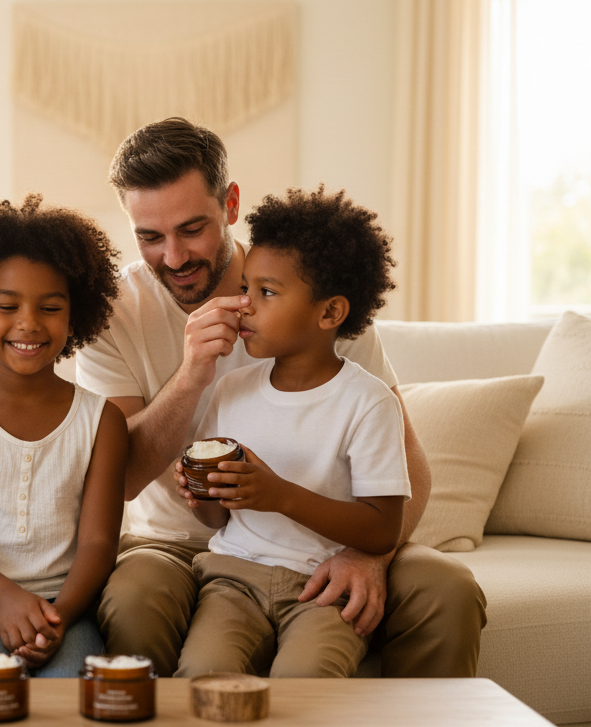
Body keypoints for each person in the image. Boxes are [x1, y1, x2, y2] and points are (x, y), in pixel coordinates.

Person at [77, 117, 486, 678]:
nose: (173, 257)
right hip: (170, 543)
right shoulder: (113, 312)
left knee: (449, 588)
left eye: (192, 228)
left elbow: (409, 464)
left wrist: (371, 554)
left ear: (231, 204)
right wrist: (194, 372)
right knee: (134, 601)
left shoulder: (317, 295)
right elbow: (118, 479)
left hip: (325, 540)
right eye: (150, 237)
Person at [173, 187, 408, 678]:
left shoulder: (368, 403)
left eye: (267, 292)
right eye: (245, 288)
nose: (244, 306)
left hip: (323, 584)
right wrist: (204, 493)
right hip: (232, 579)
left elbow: (382, 527)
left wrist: (279, 495)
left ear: (329, 313)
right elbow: (218, 521)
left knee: (306, 686)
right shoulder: (230, 389)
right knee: (202, 676)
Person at [0, 194, 127, 677]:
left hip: (69, 604)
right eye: (7, 305)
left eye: (50, 307)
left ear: (74, 316)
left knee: (71, 683)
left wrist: (55, 619)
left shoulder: (103, 421)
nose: (29, 323)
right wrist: (7, 599)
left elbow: (99, 544)